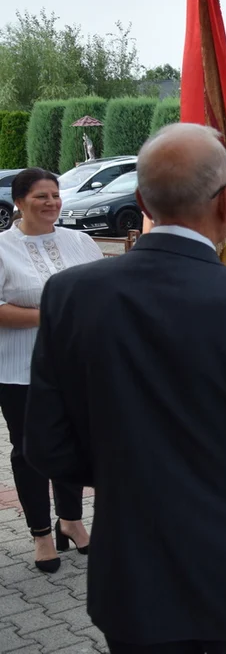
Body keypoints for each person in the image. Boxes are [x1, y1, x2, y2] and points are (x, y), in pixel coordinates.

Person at [23, 123, 226, 652]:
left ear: (142, 200)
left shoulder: (71, 295)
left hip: (132, 578)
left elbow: (46, 445)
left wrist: (133, 475)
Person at [0, 167, 101, 573]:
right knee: (29, 450)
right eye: (41, 196)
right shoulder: (3, 248)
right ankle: (41, 534)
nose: (51, 203)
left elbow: (98, 294)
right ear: (20, 202)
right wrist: (51, 316)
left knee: (73, 443)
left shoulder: (79, 241)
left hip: (74, 364)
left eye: (56, 195)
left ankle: (71, 520)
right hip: (19, 368)